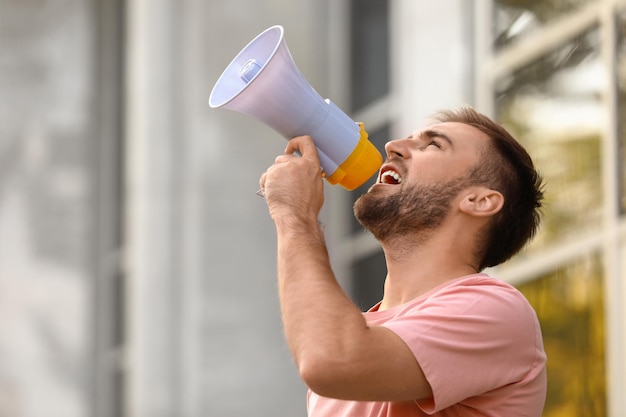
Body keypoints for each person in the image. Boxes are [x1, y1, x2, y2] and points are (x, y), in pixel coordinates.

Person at [259, 106, 547, 417]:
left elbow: (331, 360)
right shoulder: (347, 334)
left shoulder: (495, 309)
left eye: (433, 144)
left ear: (479, 201)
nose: (392, 146)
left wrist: (295, 215)